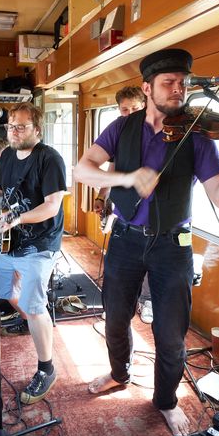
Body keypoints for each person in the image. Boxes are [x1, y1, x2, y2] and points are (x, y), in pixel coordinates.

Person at [73, 48, 219, 436]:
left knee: (171, 333)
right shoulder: (121, 128)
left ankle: (166, 400)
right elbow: (82, 170)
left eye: (183, 83)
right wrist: (126, 178)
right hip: (125, 238)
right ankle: (119, 373)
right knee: (115, 317)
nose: (179, 90)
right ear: (147, 88)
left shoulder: (198, 137)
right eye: (169, 83)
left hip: (173, 245)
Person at [0, 103, 67, 404]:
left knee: (34, 304)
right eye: (11, 125)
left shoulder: (50, 159)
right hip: (11, 239)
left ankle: (46, 369)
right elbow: (2, 194)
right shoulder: (7, 156)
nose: (14, 131)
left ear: (37, 129)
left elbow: (51, 206)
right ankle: (29, 320)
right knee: (9, 292)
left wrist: (18, 218)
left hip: (41, 242)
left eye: (21, 126)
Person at [91, 86, 153, 324]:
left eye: (134, 109)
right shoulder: (119, 131)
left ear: (145, 105)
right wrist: (101, 197)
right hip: (125, 214)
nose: (129, 114)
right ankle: (117, 309)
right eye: (124, 110)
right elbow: (111, 169)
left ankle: (146, 301)